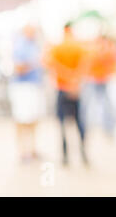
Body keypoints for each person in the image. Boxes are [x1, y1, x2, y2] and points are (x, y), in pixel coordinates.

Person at [44, 22, 89, 166]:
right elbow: (85, 65)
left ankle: (65, 156)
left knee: (62, 123)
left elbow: (51, 65)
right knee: (79, 122)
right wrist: (75, 81)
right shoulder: (79, 46)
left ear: (64, 30)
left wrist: (67, 79)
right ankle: (83, 153)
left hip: (62, 88)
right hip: (75, 89)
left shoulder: (57, 47)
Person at [8, 24, 44, 163]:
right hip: (22, 87)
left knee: (34, 119)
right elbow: (18, 68)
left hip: (34, 85)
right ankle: (22, 150)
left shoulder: (34, 44)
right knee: (21, 119)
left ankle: (32, 148)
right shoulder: (20, 45)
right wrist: (34, 63)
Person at [81, 34, 116, 136]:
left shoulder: (105, 48)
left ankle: (108, 127)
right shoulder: (100, 48)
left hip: (102, 79)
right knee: (93, 104)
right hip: (95, 78)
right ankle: (87, 126)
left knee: (105, 104)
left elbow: (113, 61)